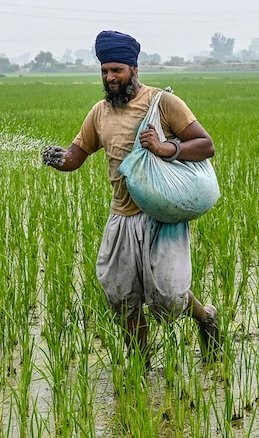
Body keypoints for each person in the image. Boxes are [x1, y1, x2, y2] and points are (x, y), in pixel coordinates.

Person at [42, 30, 219, 365]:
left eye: (117, 70)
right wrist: (58, 159)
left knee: (168, 297)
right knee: (122, 297)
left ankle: (205, 316)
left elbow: (205, 145)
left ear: (134, 69)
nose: (110, 77)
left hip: (159, 215)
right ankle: (140, 362)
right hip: (121, 217)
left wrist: (167, 148)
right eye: (105, 71)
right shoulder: (99, 113)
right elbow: (76, 156)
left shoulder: (162, 104)